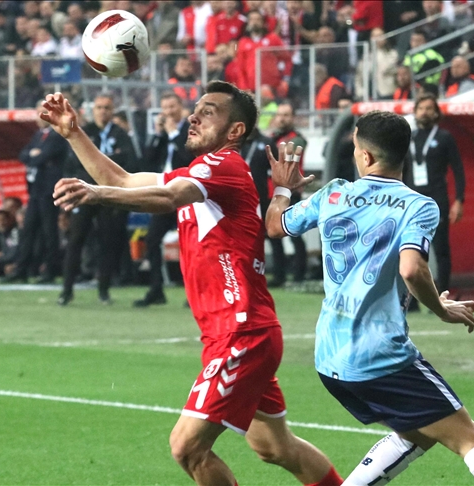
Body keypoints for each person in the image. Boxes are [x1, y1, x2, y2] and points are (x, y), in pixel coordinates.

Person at [44, 82, 344, 486]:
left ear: (235, 130)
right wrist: (73, 133)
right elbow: (123, 178)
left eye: (208, 111)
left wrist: (97, 195)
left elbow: (167, 199)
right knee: (276, 447)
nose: (193, 116)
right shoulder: (201, 172)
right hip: (238, 332)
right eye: (196, 109)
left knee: (187, 447)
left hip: (241, 333)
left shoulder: (222, 165)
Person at [264, 111, 474, 486]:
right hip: (380, 356)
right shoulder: (419, 206)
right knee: (471, 439)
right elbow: (412, 269)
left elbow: (274, 225)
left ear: (366, 156)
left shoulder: (333, 193)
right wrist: (441, 309)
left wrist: (281, 189)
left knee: (416, 432)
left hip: (330, 357)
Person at [59, 93, 138, 306]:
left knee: (108, 242)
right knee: (75, 240)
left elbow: (130, 162)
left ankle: (104, 289)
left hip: (110, 196)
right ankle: (66, 290)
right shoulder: (84, 133)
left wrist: (97, 164)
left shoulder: (121, 135)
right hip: (84, 194)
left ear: (112, 111)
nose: (103, 111)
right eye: (99, 107)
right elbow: (73, 163)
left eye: (107, 108)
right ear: (93, 111)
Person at [134, 93, 193, 308]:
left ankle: (194, 292)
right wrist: (159, 135)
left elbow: (190, 158)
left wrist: (174, 133)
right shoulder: (163, 134)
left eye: (172, 106)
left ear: (181, 107)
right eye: (165, 107)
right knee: (152, 239)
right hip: (165, 194)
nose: (168, 111)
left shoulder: (190, 130)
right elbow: (147, 161)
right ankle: (156, 289)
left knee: (191, 244)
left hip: (186, 193)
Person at [403, 94, 466, 295]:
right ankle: (412, 299)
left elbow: (458, 170)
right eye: (421, 108)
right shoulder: (409, 138)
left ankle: (442, 296)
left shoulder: (444, 137)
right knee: (411, 249)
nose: (424, 112)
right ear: (415, 112)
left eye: (429, 108)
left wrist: (459, 200)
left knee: (440, 249)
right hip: (412, 202)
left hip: (436, 201)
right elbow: (401, 170)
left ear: (436, 113)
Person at [2, 100, 69, 284]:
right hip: (36, 190)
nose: (39, 116)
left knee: (49, 231)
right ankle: (21, 269)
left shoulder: (57, 135)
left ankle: (50, 271)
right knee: (28, 230)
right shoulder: (38, 135)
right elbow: (24, 155)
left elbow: (41, 157)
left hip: (49, 190)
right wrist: (34, 155)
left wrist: (35, 155)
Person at [270, 101, 308, 285]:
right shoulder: (274, 138)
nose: (281, 118)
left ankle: (299, 273)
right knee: (273, 234)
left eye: (285, 115)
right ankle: (280, 274)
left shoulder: (297, 139)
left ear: (293, 118)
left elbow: (287, 151)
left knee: (294, 233)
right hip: (275, 191)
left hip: (292, 191)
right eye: (279, 115)